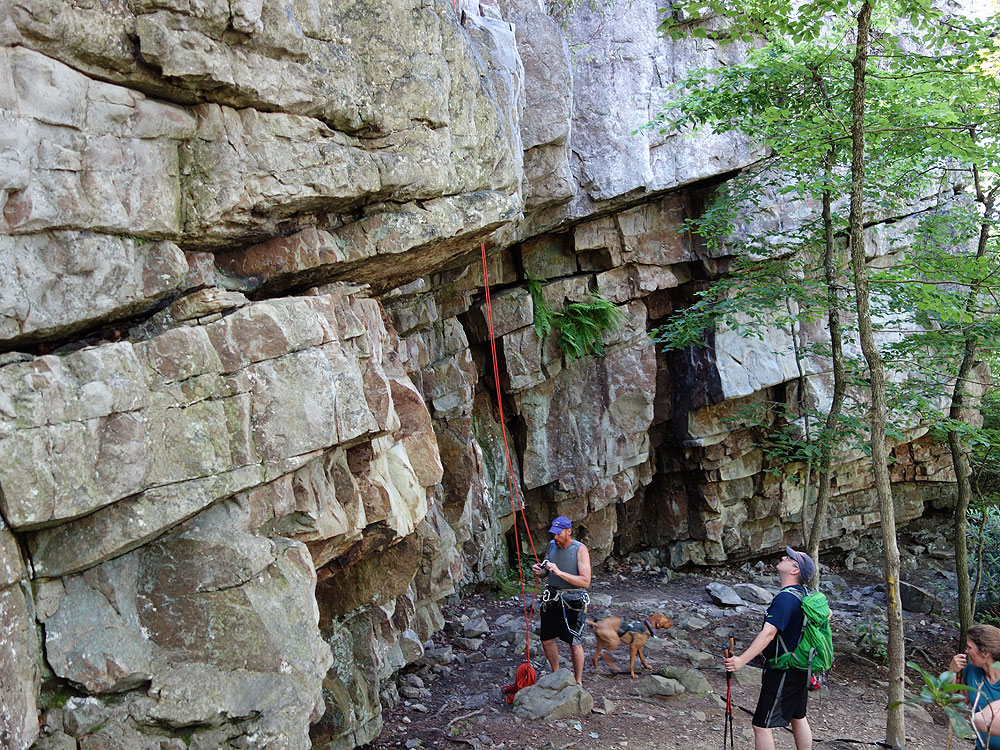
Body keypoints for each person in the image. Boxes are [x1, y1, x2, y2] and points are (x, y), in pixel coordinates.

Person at [724, 547, 816, 750]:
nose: (783, 557)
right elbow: (827, 615)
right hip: (801, 665)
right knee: (797, 716)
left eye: (789, 558)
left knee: (761, 725)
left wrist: (741, 660)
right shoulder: (805, 595)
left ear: (795, 570)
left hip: (783, 670)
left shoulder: (785, 598)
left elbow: (768, 633)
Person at [531, 516, 592, 685]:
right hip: (552, 598)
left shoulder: (580, 549)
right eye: (553, 534)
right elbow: (546, 570)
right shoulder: (552, 546)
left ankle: (578, 682)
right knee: (547, 639)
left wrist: (559, 572)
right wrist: (540, 571)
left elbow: (585, 581)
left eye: (559, 534)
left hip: (573, 600)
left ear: (568, 532)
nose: (555, 537)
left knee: (574, 642)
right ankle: (557, 674)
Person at [949, 623, 1000, 749]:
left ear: (985, 653)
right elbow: (959, 700)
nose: (966, 651)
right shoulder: (971, 670)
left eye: (969, 647)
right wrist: (951, 673)